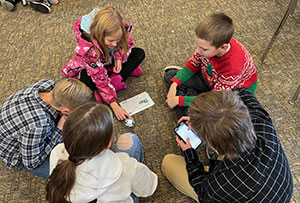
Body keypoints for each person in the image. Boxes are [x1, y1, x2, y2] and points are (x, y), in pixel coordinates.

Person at [161, 88, 293, 203]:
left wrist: (189, 153)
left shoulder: (219, 185)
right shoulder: (263, 122)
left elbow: (202, 192)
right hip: (280, 190)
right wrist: (203, 118)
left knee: (168, 162)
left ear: (212, 145)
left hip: (236, 189)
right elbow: (242, 90)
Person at [46, 102, 158, 203]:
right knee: (130, 139)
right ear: (108, 144)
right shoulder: (126, 166)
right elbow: (149, 188)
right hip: (121, 181)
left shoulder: (57, 152)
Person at [164, 12, 257, 118]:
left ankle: (193, 101)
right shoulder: (211, 45)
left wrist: (179, 100)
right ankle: (195, 100)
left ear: (223, 47)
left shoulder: (233, 67)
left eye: (203, 49)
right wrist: (174, 84)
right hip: (211, 80)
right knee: (170, 77)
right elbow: (193, 64)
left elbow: (216, 98)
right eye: (198, 46)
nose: (198, 51)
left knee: (217, 117)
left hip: (230, 93)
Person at [62, 7, 145, 120]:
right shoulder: (89, 50)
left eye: (117, 39)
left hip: (109, 60)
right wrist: (113, 103)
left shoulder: (119, 29)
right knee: (85, 81)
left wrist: (118, 58)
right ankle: (115, 81)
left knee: (139, 53)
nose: (115, 44)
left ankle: (111, 82)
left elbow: (126, 45)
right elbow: (98, 76)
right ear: (99, 36)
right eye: (111, 41)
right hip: (96, 66)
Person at [0, 78, 94, 178]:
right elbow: (31, 163)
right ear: (65, 111)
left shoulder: (47, 84)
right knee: (73, 173)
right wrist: (59, 130)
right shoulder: (39, 124)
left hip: (25, 129)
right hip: (19, 154)